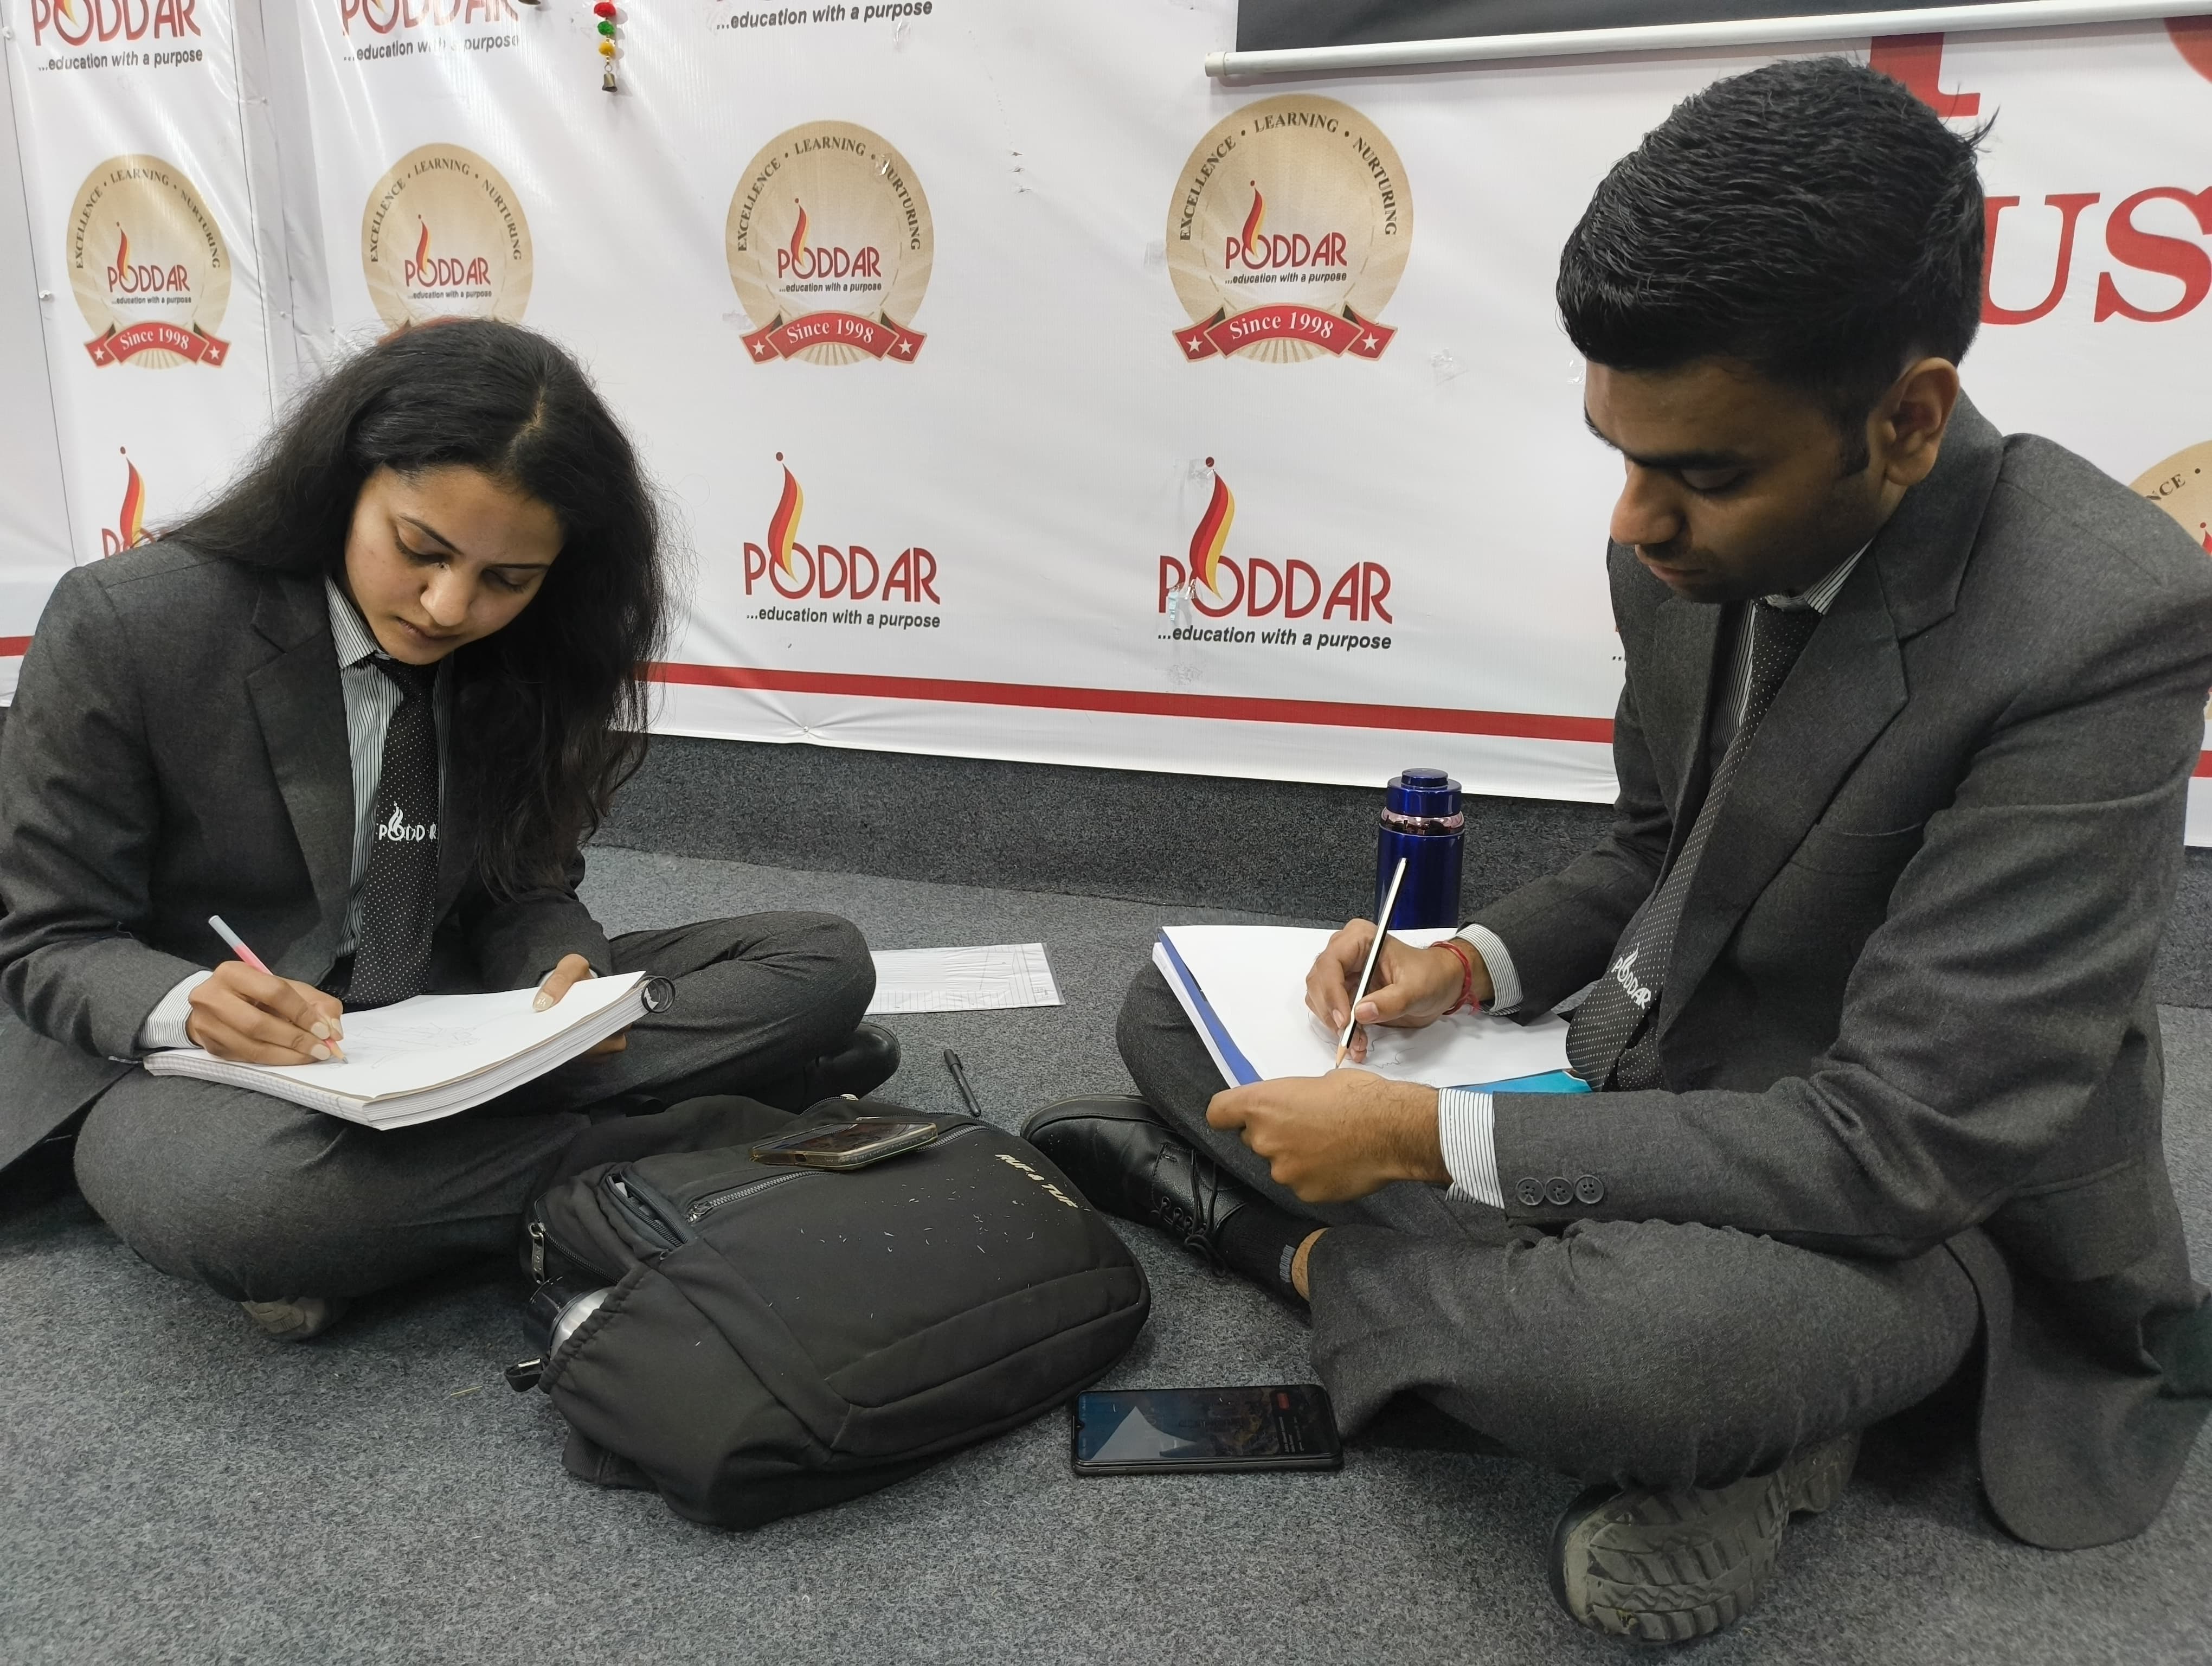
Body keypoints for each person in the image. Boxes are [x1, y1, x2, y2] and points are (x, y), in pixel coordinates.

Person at [1026, 57, 2212, 1643]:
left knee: (1652, 1360)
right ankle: (1638, 1355)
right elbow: (1664, 850)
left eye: (1703, 476)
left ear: (1908, 421)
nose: (1637, 524)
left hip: (1928, 1201)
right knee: (1173, 1010)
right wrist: (1465, 970)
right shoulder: (1671, 546)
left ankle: (1289, 1255)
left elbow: (1901, 1147)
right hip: (1657, 1081)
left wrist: (1425, 1143)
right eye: (1621, 453)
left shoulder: (2101, 620)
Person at [0, 320, 895, 1338]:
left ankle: (427, 1202)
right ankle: (711, 1140)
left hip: (437, 999)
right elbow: (49, 937)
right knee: (244, 1204)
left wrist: (557, 986)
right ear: (346, 483)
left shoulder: (542, 647)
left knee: (820, 960)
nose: (446, 606)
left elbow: (525, 885)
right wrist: (189, 1006)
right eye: (420, 550)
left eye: (507, 579)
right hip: (212, 1068)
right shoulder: (132, 622)